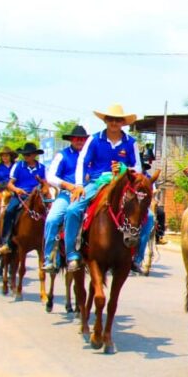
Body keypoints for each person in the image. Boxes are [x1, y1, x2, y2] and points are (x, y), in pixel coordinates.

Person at [64, 104, 141, 272]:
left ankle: (136, 257)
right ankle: (72, 255)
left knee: (148, 216)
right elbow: (82, 162)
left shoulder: (131, 143)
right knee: (72, 210)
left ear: (123, 123)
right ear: (105, 121)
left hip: (123, 184)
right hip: (97, 182)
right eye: (111, 119)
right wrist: (78, 185)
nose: (114, 122)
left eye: (118, 120)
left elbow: (138, 168)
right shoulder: (94, 139)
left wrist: (122, 168)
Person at [42, 125, 89, 273]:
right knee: (52, 219)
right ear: (71, 140)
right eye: (76, 139)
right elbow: (50, 177)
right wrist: (67, 185)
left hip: (88, 194)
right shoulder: (62, 155)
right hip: (67, 195)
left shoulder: (90, 156)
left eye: (82, 139)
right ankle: (50, 258)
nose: (79, 142)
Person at [0, 143, 47, 254]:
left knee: (50, 212)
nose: (26, 157)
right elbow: (10, 184)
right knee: (9, 211)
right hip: (21, 196)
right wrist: (16, 190)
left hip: (37, 197)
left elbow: (46, 184)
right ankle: (6, 241)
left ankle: (52, 242)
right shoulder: (18, 166)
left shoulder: (42, 168)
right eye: (24, 155)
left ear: (34, 155)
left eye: (28, 154)